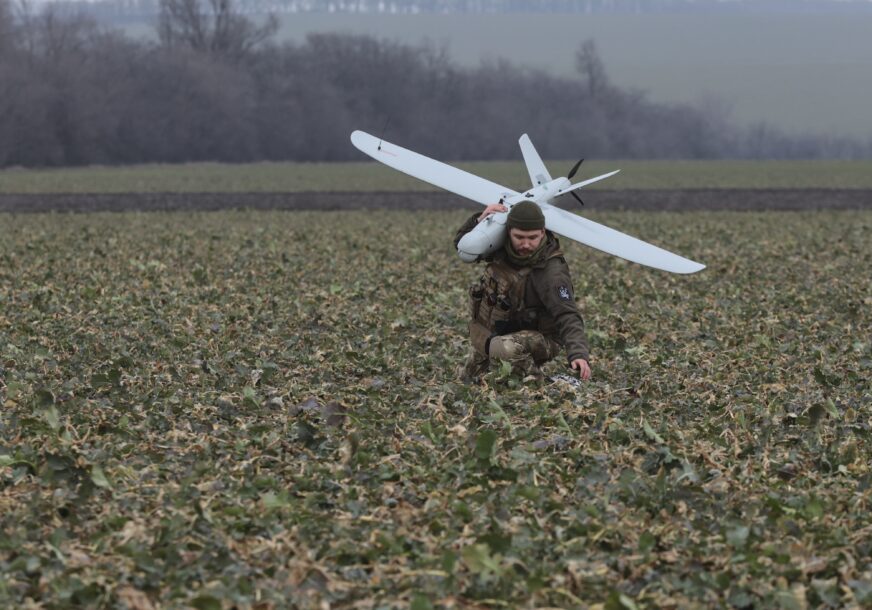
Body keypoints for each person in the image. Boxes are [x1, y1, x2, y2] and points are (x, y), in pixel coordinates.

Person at [455, 201, 592, 383]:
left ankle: (542, 381)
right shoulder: (501, 248)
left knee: (502, 350)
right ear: (508, 232)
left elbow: (567, 314)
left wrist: (578, 354)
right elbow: (463, 247)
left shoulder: (551, 274)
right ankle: (511, 367)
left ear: (542, 232)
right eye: (519, 237)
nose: (526, 244)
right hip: (505, 329)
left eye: (532, 237)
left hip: (543, 338)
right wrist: (480, 219)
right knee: (468, 379)